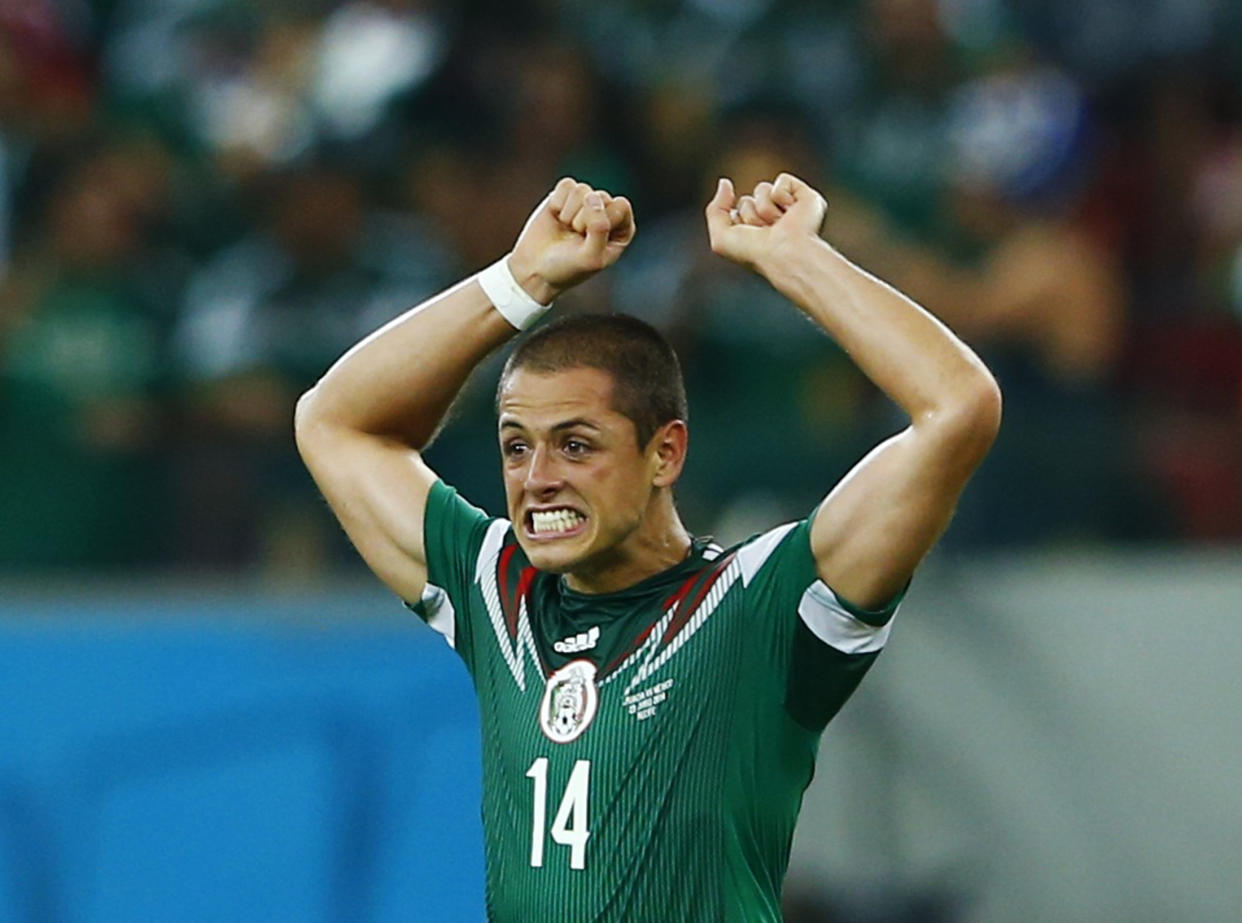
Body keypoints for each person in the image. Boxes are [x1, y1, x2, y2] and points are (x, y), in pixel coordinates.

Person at [295, 172, 1001, 921]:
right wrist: (519, 279)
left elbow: (957, 408)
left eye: (574, 444)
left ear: (665, 454)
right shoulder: (499, 595)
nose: (537, 479)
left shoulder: (761, 604)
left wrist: (797, 262)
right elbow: (332, 422)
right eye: (515, 446)